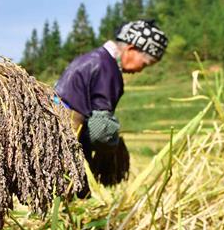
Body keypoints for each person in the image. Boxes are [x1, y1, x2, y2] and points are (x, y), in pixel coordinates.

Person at [54, 19, 168, 187]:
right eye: (144, 64)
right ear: (131, 49)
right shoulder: (107, 69)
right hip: (67, 139)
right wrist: (112, 149)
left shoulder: (92, 58)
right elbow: (100, 131)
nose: (140, 70)